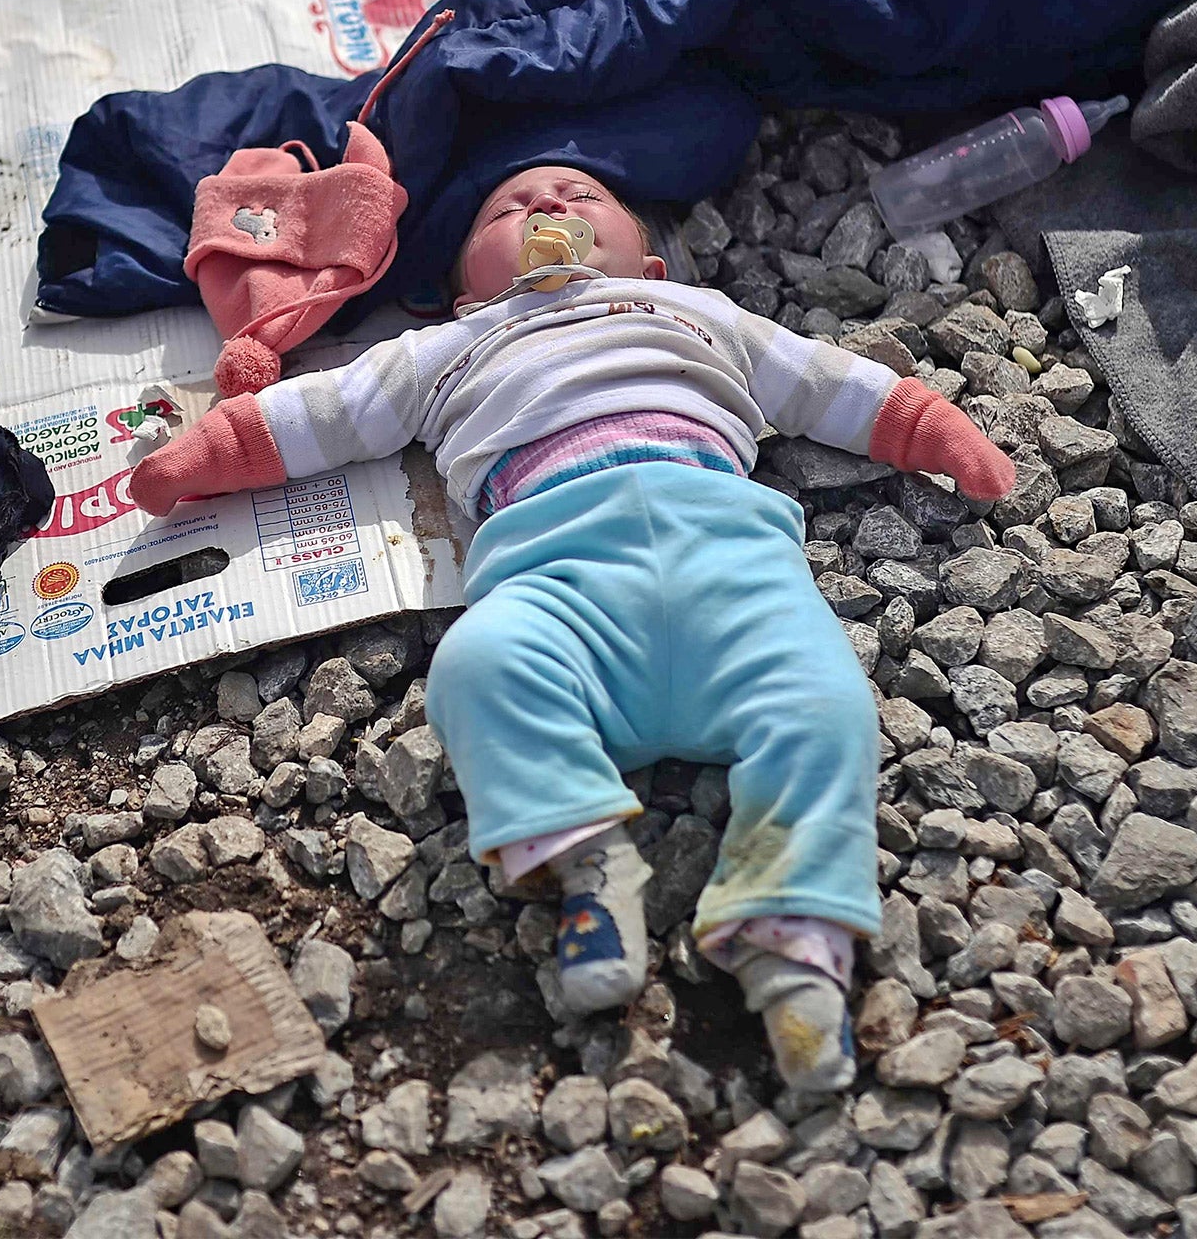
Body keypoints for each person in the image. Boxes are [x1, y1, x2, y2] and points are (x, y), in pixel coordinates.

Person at [131, 163, 1016, 1090]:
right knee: (476, 665)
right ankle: (592, 869)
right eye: (505, 206)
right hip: (556, 581)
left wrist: (935, 430)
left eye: (583, 198)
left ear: (654, 266)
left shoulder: (701, 316)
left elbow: (830, 382)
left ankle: (793, 939)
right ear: (466, 288)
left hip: (733, 570)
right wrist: (210, 450)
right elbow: (328, 411)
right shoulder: (452, 346)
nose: (545, 204)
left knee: (828, 705)